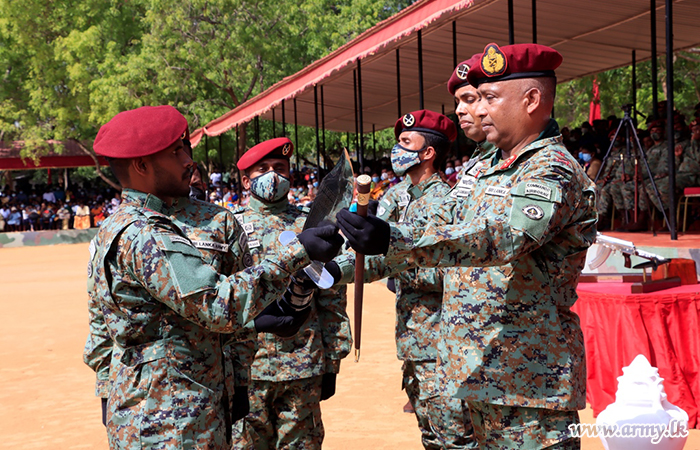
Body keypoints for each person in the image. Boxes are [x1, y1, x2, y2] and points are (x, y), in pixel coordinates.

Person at [337, 43, 597, 449]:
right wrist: (339, 254)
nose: (478, 111)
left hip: (528, 381)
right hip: (475, 368)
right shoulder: (488, 168)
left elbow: (507, 235)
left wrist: (394, 238)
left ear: (531, 100)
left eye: (490, 98)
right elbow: (438, 225)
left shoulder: (552, 168)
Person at [85, 105, 343, 450]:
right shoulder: (145, 233)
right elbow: (218, 306)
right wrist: (296, 252)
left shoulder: (120, 225)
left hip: (184, 402)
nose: (187, 161)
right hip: (170, 417)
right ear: (142, 166)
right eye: (175, 152)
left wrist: (237, 375)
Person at [335, 109, 476, 449]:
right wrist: (332, 271)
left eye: (405, 142)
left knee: (455, 437)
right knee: (430, 434)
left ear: (427, 153)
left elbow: (453, 270)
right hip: (412, 339)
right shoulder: (397, 197)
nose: (396, 150)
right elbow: (373, 260)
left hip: (444, 341)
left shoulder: (451, 201)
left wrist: (399, 260)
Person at [230, 137, 351, 450]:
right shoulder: (228, 228)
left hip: (303, 365)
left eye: (280, 168)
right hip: (248, 368)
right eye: (263, 169)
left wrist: (332, 362)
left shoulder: (310, 225)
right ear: (246, 180)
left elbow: (332, 296)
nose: (273, 175)